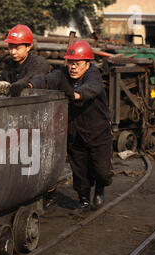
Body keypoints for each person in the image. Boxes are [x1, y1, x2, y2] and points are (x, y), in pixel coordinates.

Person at [28, 40, 113, 213]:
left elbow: (92, 89)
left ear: (87, 64)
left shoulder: (93, 75)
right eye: (70, 63)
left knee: (102, 171)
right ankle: (83, 200)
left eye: (77, 63)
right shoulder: (63, 74)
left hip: (98, 132)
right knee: (79, 170)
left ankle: (100, 188)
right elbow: (47, 79)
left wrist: (75, 95)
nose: (73, 67)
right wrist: (29, 84)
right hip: (75, 132)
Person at [0, 24, 50, 97]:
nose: (13, 52)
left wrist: (21, 84)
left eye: (17, 48)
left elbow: (33, 77)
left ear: (28, 47)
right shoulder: (8, 66)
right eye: (11, 48)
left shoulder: (39, 63)